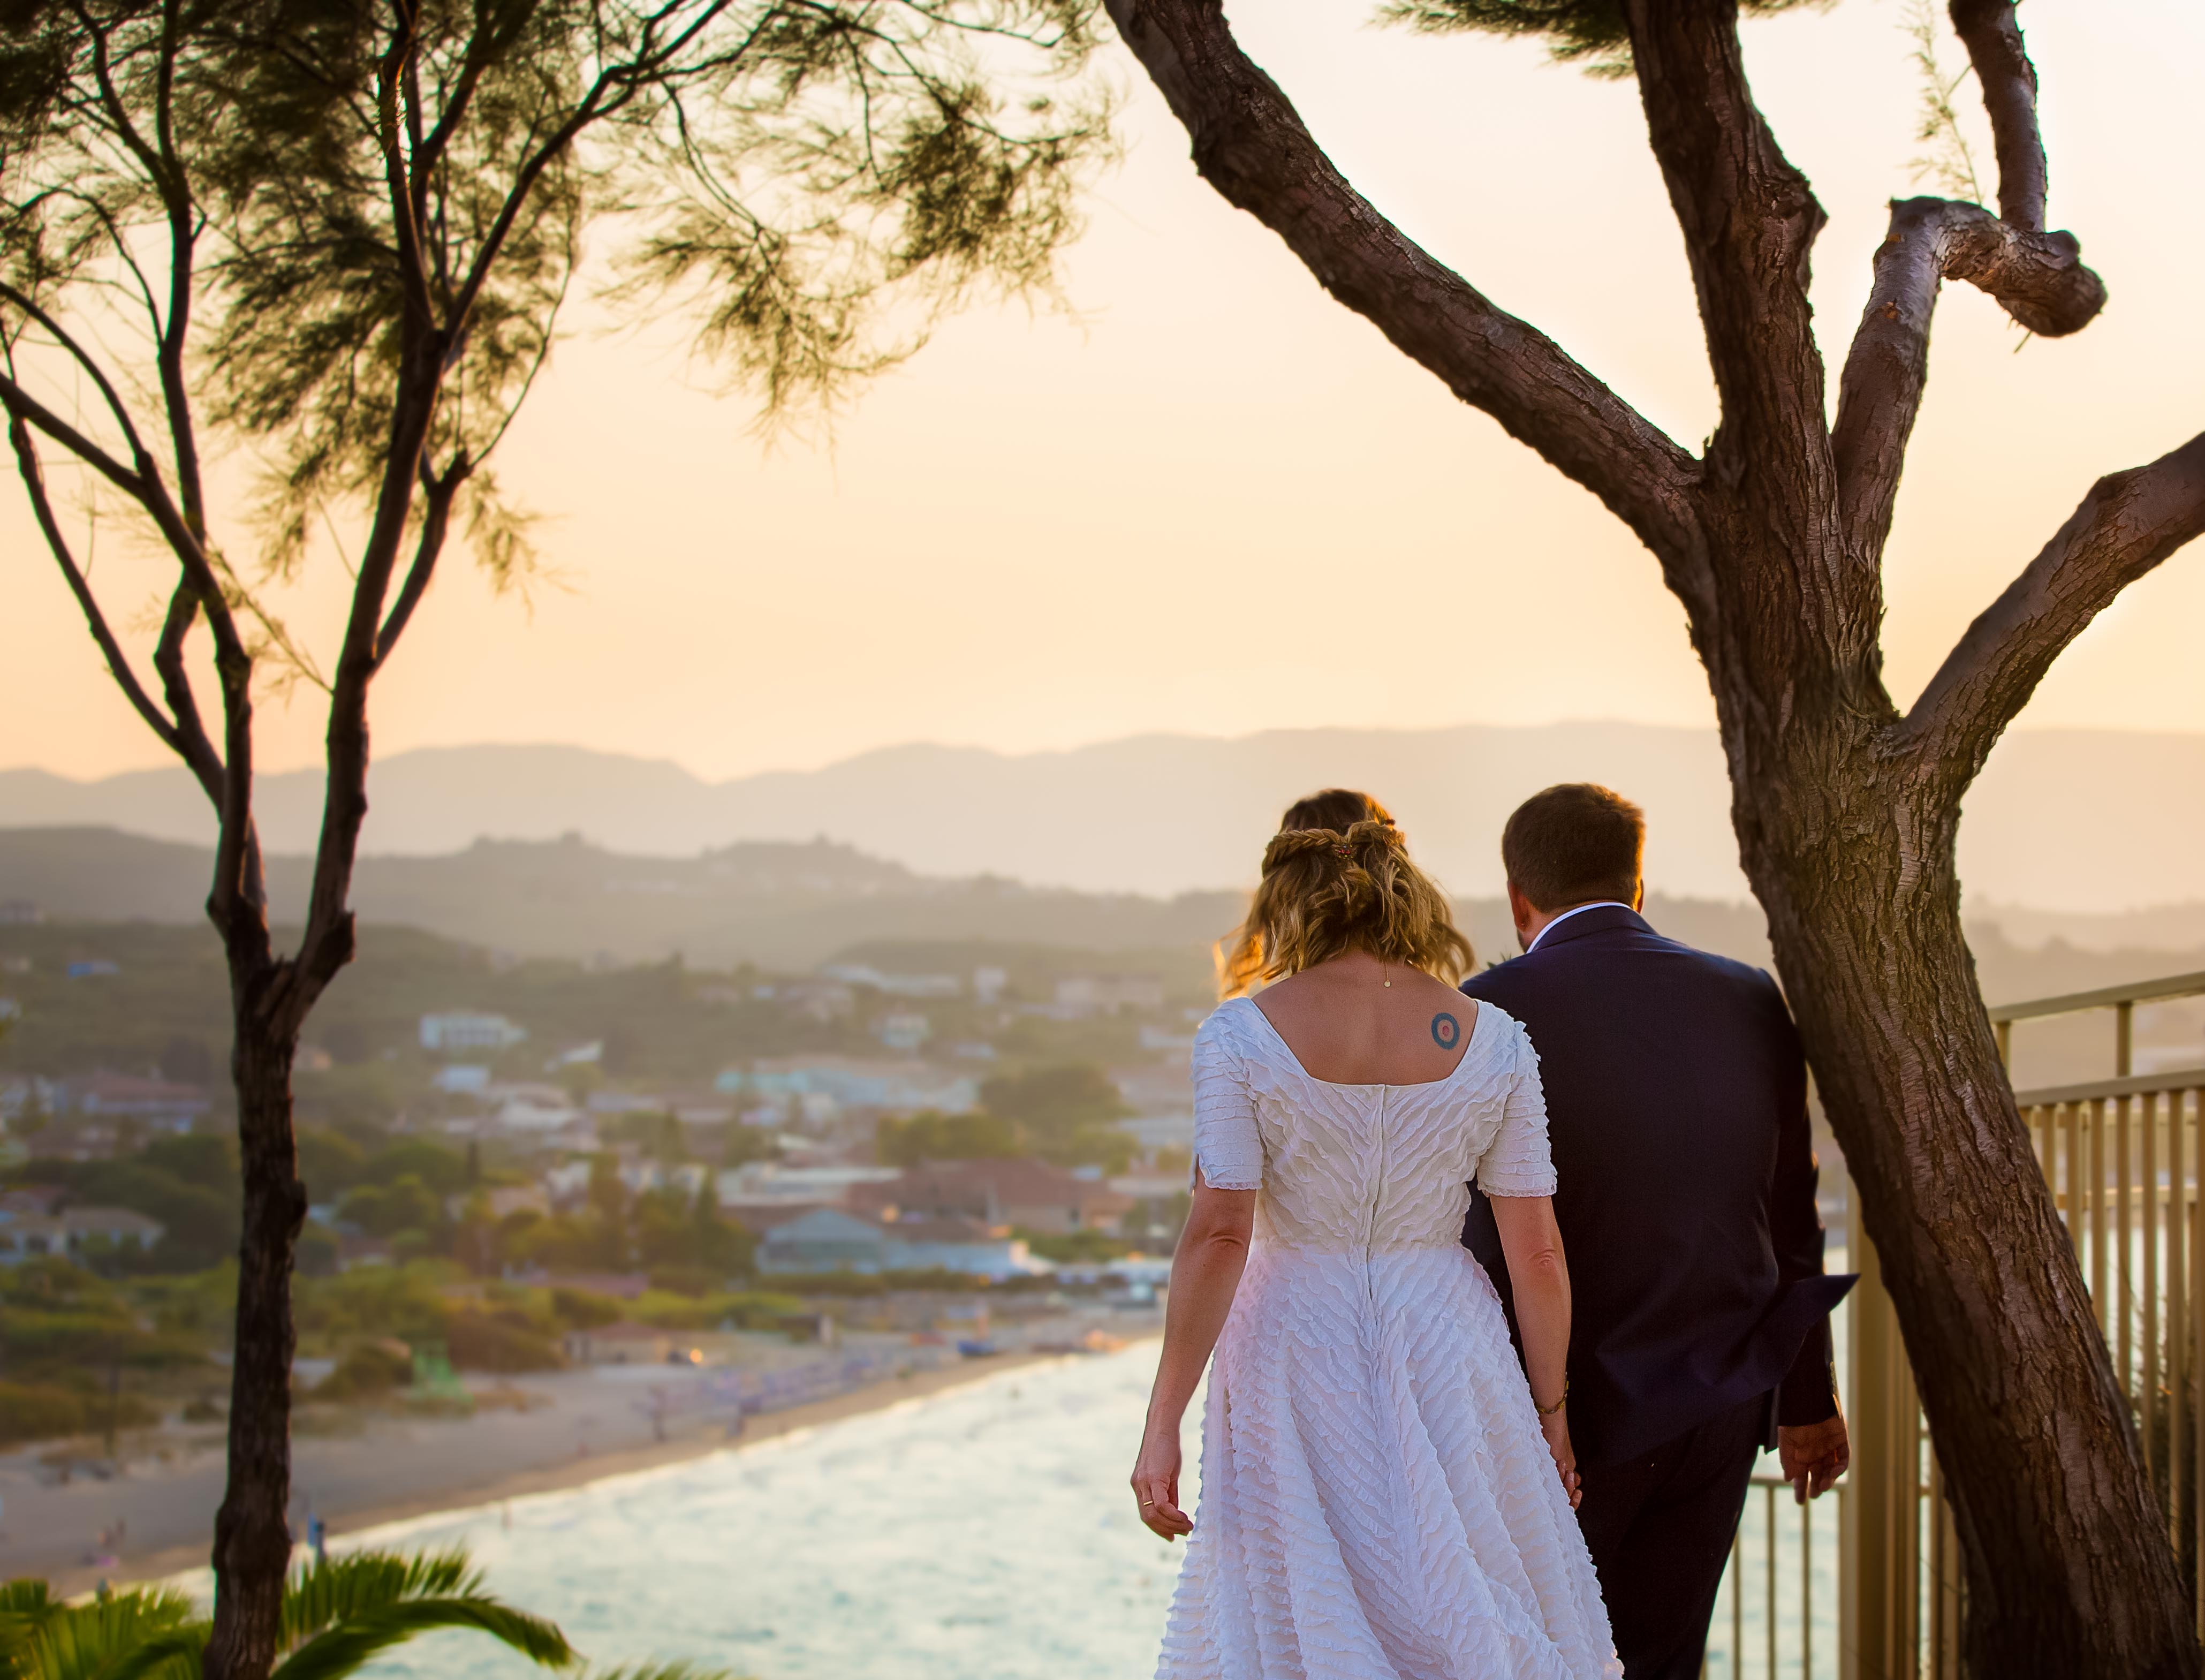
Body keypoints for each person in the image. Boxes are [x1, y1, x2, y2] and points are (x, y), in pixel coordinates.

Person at [1133, 789, 1618, 1680]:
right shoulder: (1496, 1039)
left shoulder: (1239, 1035)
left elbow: (1219, 1237)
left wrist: (1161, 1420)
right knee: (1456, 1590)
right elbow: (1538, 1254)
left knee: (1300, 1603)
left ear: (1287, 895)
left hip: (1293, 1342)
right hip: (1446, 1336)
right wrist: (1552, 1417)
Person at [1459, 784, 1854, 1680]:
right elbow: (1792, 1214)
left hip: (1559, 1421)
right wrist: (1806, 1398)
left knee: (1535, 1660)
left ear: (1519, 897)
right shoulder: (1748, 996)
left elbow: (1470, 1232)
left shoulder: (1482, 1014)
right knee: (1665, 1662)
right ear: (1638, 884)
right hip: (1718, 1406)